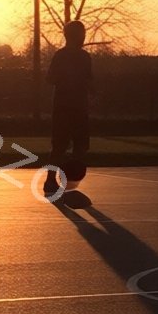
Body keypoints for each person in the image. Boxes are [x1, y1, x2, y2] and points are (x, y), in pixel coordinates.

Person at [45, 19, 92, 194]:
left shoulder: (83, 57)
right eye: (82, 34)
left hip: (75, 108)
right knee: (61, 146)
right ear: (73, 36)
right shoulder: (63, 56)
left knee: (78, 146)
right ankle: (52, 179)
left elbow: (89, 81)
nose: (84, 37)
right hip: (65, 108)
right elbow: (50, 79)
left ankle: (66, 178)